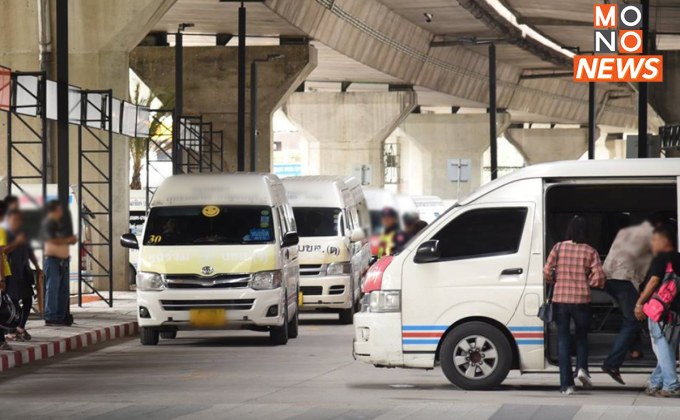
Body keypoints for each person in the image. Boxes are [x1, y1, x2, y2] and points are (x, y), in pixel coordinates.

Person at [543, 216, 606, 395]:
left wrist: (555, 278)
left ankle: (566, 386)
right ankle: (581, 368)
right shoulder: (590, 251)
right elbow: (599, 277)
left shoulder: (559, 247)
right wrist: (588, 281)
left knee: (563, 340)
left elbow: (547, 271)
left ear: (569, 230)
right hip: (581, 300)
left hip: (561, 299)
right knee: (581, 337)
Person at [600, 214, 664, 384]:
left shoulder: (625, 232)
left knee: (629, 317)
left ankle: (635, 350)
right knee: (634, 319)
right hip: (624, 279)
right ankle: (611, 363)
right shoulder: (654, 236)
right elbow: (657, 265)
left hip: (609, 278)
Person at [634, 224, 680, 398]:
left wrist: (640, 303)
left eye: (654, 240)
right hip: (676, 312)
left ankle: (671, 384)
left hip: (659, 311)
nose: (652, 244)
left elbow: (654, 282)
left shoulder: (661, 258)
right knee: (667, 348)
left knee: (662, 347)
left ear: (663, 240)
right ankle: (655, 382)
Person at [5, 210, 41, 341]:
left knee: (28, 299)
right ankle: (10, 330)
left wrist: (37, 266)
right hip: (10, 272)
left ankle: (21, 326)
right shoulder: (5, 234)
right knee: (12, 302)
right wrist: (15, 243)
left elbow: (30, 252)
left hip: (23, 271)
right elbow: (3, 251)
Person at [42, 200, 77, 326]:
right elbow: (52, 240)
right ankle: (50, 315)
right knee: (52, 288)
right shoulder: (48, 223)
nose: (61, 212)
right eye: (59, 209)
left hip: (62, 261)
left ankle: (60, 315)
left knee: (62, 289)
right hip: (52, 260)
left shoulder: (58, 224)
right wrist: (68, 239)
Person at [0, 201, 14, 350]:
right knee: (3, 308)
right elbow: (0, 254)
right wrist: (2, 278)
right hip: (3, 272)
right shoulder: (2, 229)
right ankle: (1, 340)